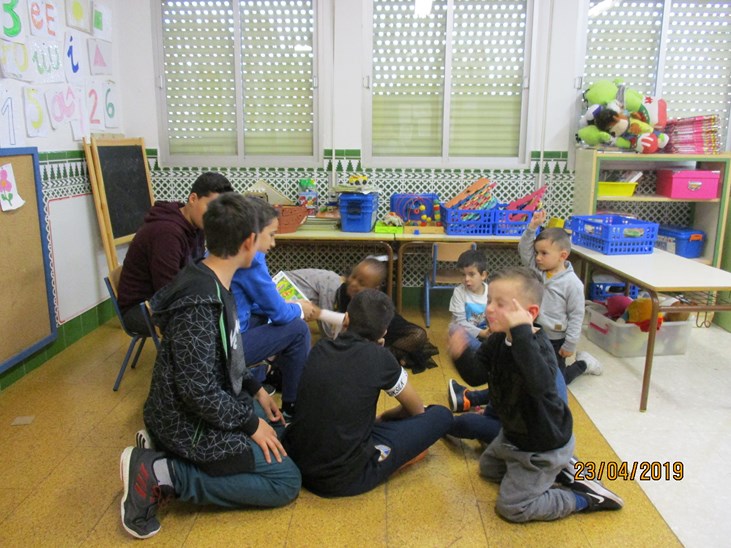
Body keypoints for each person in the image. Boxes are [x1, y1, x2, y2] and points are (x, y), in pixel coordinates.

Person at [119, 194, 301, 540]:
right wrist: (250, 425)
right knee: (285, 480)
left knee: (274, 432)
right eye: (270, 236)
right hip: (184, 420)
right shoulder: (201, 303)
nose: (272, 244)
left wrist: (256, 390)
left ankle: (163, 448)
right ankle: (163, 473)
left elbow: (224, 355)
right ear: (248, 241)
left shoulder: (213, 280)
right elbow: (198, 391)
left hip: (195, 405)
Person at [447, 266, 623, 522]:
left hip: (542, 445)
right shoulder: (498, 340)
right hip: (513, 436)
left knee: (512, 508)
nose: (489, 309)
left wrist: (521, 332)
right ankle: (562, 469)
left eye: (500, 304)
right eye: (489, 301)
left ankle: (585, 497)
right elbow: (476, 376)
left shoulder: (539, 348)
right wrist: (461, 354)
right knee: (488, 470)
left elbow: (539, 385)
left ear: (529, 314)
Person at [283, 289, 453, 497]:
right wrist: (384, 417)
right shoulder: (381, 358)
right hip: (341, 478)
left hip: (298, 459)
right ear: (384, 333)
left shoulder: (321, 347)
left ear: (346, 319)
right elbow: (416, 410)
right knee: (440, 415)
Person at [230, 197, 318, 419]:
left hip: (228, 332)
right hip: (229, 346)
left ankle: (270, 374)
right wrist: (298, 309)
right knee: (298, 329)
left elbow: (260, 301)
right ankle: (292, 405)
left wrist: (287, 306)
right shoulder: (251, 259)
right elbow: (278, 313)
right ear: (252, 236)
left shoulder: (220, 251)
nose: (273, 243)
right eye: (271, 235)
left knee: (274, 317)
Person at [117, 172, 234, 334]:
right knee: (209, 322)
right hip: (141, 310)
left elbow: (195, 272)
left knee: (223, 310)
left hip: (167, 298)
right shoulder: (166, 233)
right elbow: (167, 289)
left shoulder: (197, 225)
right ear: (193, 199)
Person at [285, 258, 440, 373]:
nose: (354, 284)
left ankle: (392, 355)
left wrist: (320, 314)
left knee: (418, 335)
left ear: (374, 289)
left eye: (362, 283)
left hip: (387, 330)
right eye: (353, 277)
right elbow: (344, 322)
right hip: (363, 336)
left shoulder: (376, 304)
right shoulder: (344, 292)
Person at [518, 210, 602, 384]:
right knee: (529, 372)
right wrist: (532, 227)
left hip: (555, 339)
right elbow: (524, 250)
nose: (538, 258)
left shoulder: (572, 284)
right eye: (537, 253)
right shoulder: (537, 270)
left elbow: (576, 315)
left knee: (557, 382)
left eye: (544, 253)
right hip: (534, 331)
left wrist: (570, 344)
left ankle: (584, 364)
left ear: (563, 255)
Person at [449, 249, 489, 352]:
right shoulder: (459, 292)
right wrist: (482, 333)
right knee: (454, 330)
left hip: (485, 331)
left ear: (483, 275)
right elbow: (460, 322)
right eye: (463, 274)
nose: (466, 279)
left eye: (471, 274)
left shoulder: (491, 291)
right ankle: (482, 349)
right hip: (465, 332)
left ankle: (483, 348)